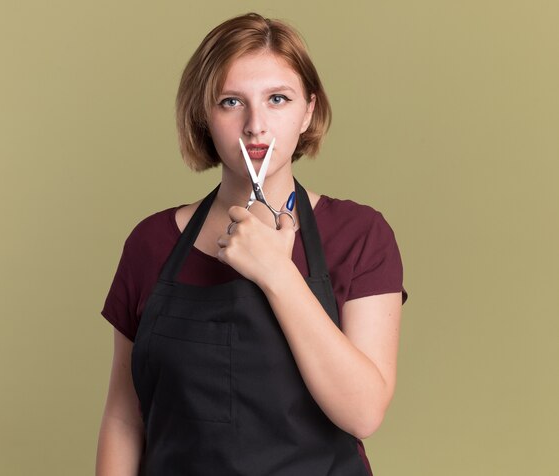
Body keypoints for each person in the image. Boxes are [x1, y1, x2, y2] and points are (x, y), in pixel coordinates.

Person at [96, 12, 407, 476]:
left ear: (308, 112)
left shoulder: (361, 235)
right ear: (204, 116)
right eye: (230, 102)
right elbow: (125, 416)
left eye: (277, 99)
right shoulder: (150, 244)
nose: (255, 125)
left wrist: (278, 274)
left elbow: (363, 411)